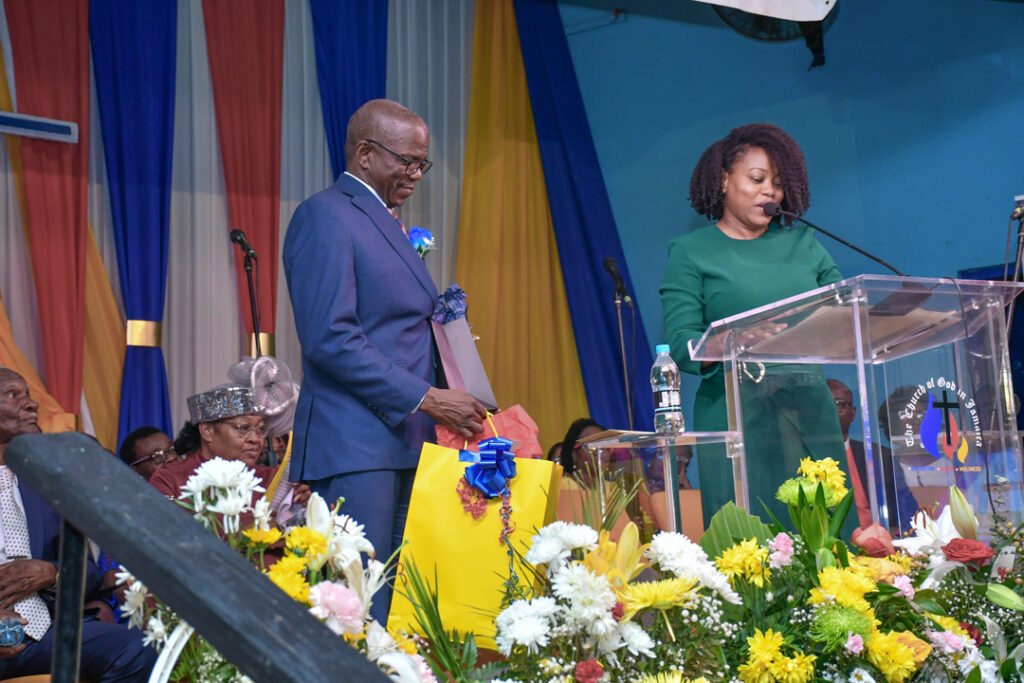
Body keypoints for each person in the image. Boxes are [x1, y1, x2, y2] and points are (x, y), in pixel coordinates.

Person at [283, 99, 487, 620]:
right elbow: (331, 338)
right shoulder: (325, 216)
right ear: (367, 153)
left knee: (393, 607)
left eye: (423, 164)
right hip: (356, 446)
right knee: (354, 607)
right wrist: (427, 396)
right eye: (408, 161)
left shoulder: (385, 221)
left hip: (403, 440)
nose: (417, 174)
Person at [660, 123, 849, 530]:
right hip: (735, 415)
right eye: (758, 179)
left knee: (826, 538)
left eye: (778, 185)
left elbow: (846, 310)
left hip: (809, 409)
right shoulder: (691, 252)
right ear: (724, 179)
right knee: (750, 544)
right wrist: (731, 341)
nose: (770, 192)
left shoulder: (805, 244)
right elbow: (681, 341)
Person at [0, 367, 155, 681]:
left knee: (136, 649)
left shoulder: (46, 484)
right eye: (12, 395)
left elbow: (90, 573)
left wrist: (53, 573)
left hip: (42, 633)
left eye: (28, 396)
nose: (30, 404)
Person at [829, 379, 917, 556]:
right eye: (824, 405)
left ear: (853, 413)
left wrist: (894, 534)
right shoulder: (802, 459)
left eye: (838, 404)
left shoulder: (880, 456)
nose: (830, 412)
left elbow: (906, 509)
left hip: (880, 551)